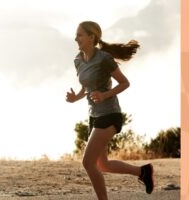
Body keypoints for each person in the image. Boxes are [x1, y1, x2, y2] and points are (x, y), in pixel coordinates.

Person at [65, 21, 154, 200]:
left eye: (80, 35)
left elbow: (125, 83)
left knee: (88, 162)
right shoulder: (78, 60)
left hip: (109, 113)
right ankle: (143, 172)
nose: (76, 38)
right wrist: (76, 98)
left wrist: (105, 95)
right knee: (102, 164)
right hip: (94, 115)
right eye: (76, 35)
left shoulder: (104, 59)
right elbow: (87, 87)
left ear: (92, 37)